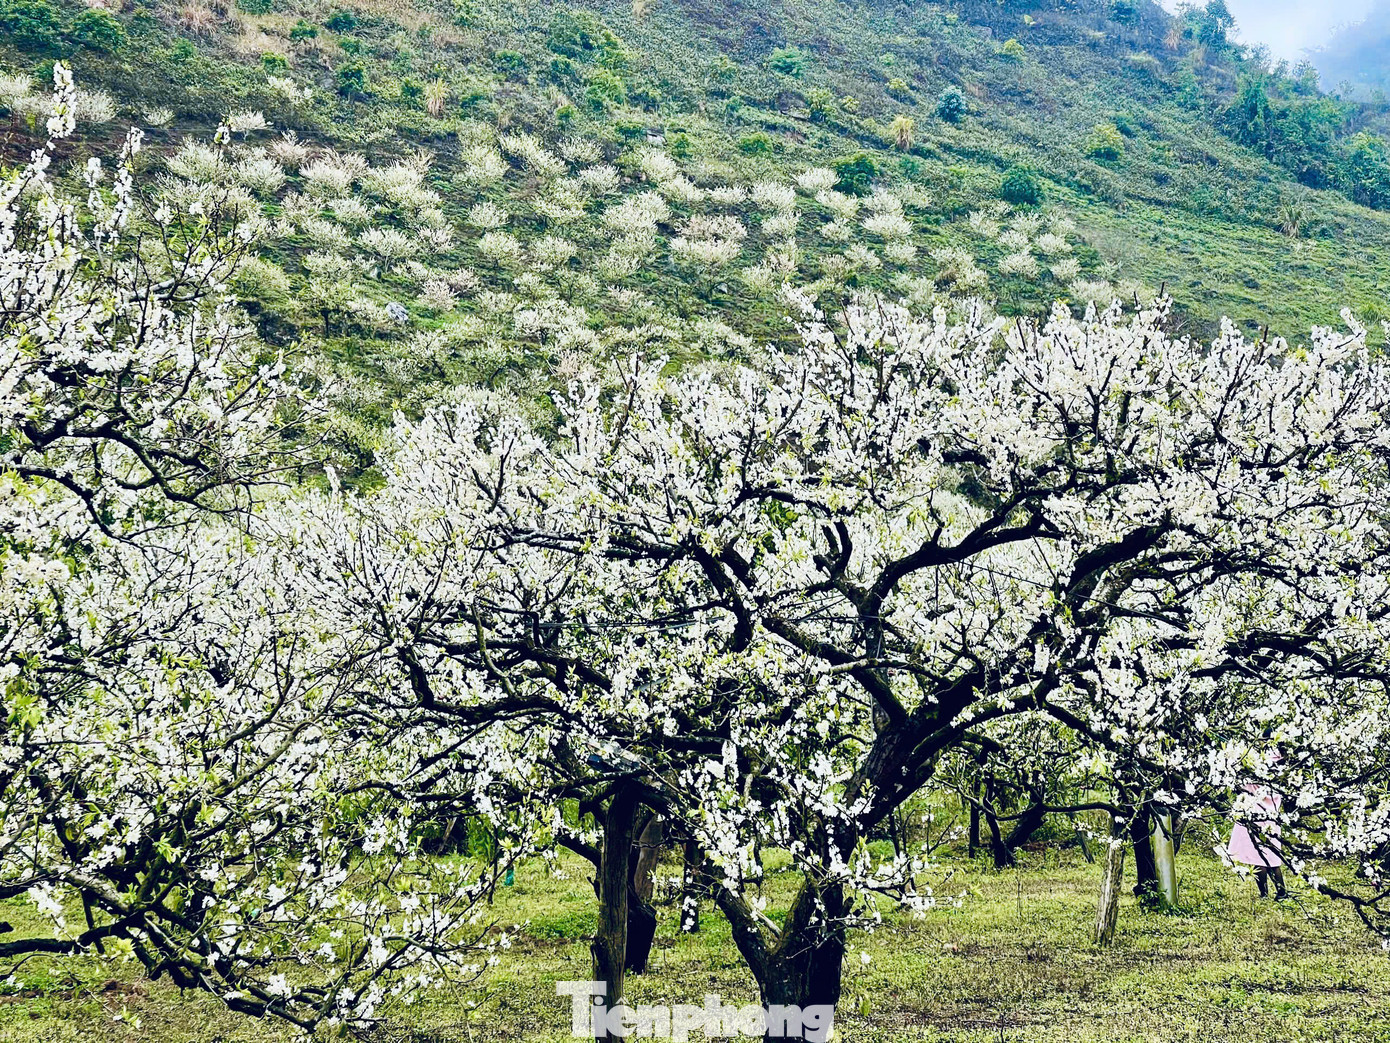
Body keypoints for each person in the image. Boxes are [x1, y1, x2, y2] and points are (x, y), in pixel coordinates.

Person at [1228, 782, 1287, 900]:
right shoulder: (1274, 779)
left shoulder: (1251, 779)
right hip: (1271, 816)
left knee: (1257, 857)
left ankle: (1264, 894)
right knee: (1272, 856)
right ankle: (1281, 892)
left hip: (1255, 813)